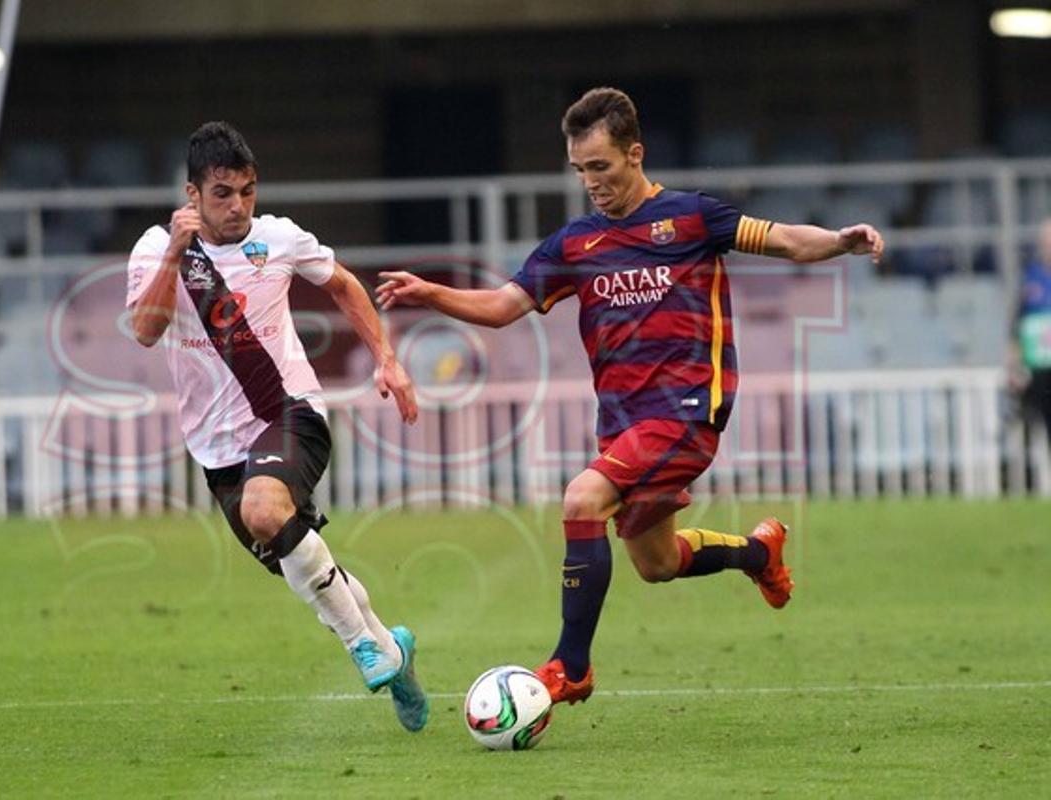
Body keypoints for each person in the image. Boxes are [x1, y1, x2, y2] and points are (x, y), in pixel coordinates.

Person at [377, 88, 885, 705]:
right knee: (657, 562)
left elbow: (784, 240)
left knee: (582, 498)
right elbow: (503, 306)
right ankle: (758, 553)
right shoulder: (574, 244)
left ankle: (570, 666)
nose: (591, 182)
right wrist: (431, 293)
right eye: (579, 170)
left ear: (635, 154)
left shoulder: (692, 217)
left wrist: (841, 240)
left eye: (601, 166)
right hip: (622, 423)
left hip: (689, 410)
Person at [127, 121, 428, 731]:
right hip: (217, 450)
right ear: (192, 195)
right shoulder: (156, 248)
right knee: (306, 568)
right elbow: (145, 330)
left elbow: (344, 285)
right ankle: (392, 650)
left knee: (266, 511)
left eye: (247, 191)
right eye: (222, 194)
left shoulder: (280, 239)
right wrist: (175, 255)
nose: (238, 206)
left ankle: (361, 647)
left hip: (289, 411)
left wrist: (387, 359)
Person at [1016, 219, 1051, 436]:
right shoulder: (1031, 277)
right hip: (1040, 369)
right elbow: (1018, 322)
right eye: (1046, 243)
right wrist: (1015, 363)